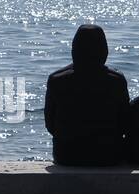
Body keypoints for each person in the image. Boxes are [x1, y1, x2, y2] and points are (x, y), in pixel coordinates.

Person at [44, 24, 130, 166]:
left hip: (67, 156)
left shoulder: (56, 79)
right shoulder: (116, 80)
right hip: (108, 156)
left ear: (74, 49)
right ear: (104, 50)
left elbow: (50, 125)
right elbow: (125, 123)